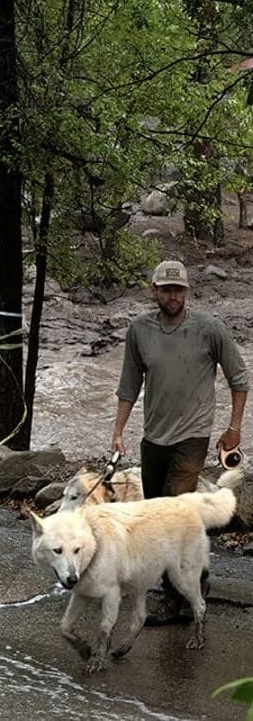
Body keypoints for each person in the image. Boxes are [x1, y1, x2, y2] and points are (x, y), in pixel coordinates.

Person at [110, 259, 248, 623]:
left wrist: (234, 427)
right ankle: (197, 582)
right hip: (154, 435)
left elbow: (239, 379)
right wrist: (118, 431)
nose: (173, 296)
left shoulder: (209, 329)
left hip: (193, 435)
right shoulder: (139, 331)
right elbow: (128, 385)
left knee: (173, 514)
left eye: (179, 290)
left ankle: (177, 601)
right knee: (159, 517)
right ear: (154, 290)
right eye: (166, 289)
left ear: (187, 292)